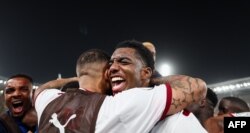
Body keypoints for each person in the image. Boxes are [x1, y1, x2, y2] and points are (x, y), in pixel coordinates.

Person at [34, 48, 206, 133]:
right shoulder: (117, 107)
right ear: (106, 74)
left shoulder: (46, 100)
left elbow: (41, 89)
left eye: (123, 62)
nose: (115, 68)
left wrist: (78, 76)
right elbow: (197, 86)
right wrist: (148, 79)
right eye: (111, 64)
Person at [109, 40, 208, 133]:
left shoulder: (176, 122)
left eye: (124, 62)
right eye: (110, 63)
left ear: (146, 72)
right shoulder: (109, 105)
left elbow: (198, 86)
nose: (112, 68)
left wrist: (149, 81)